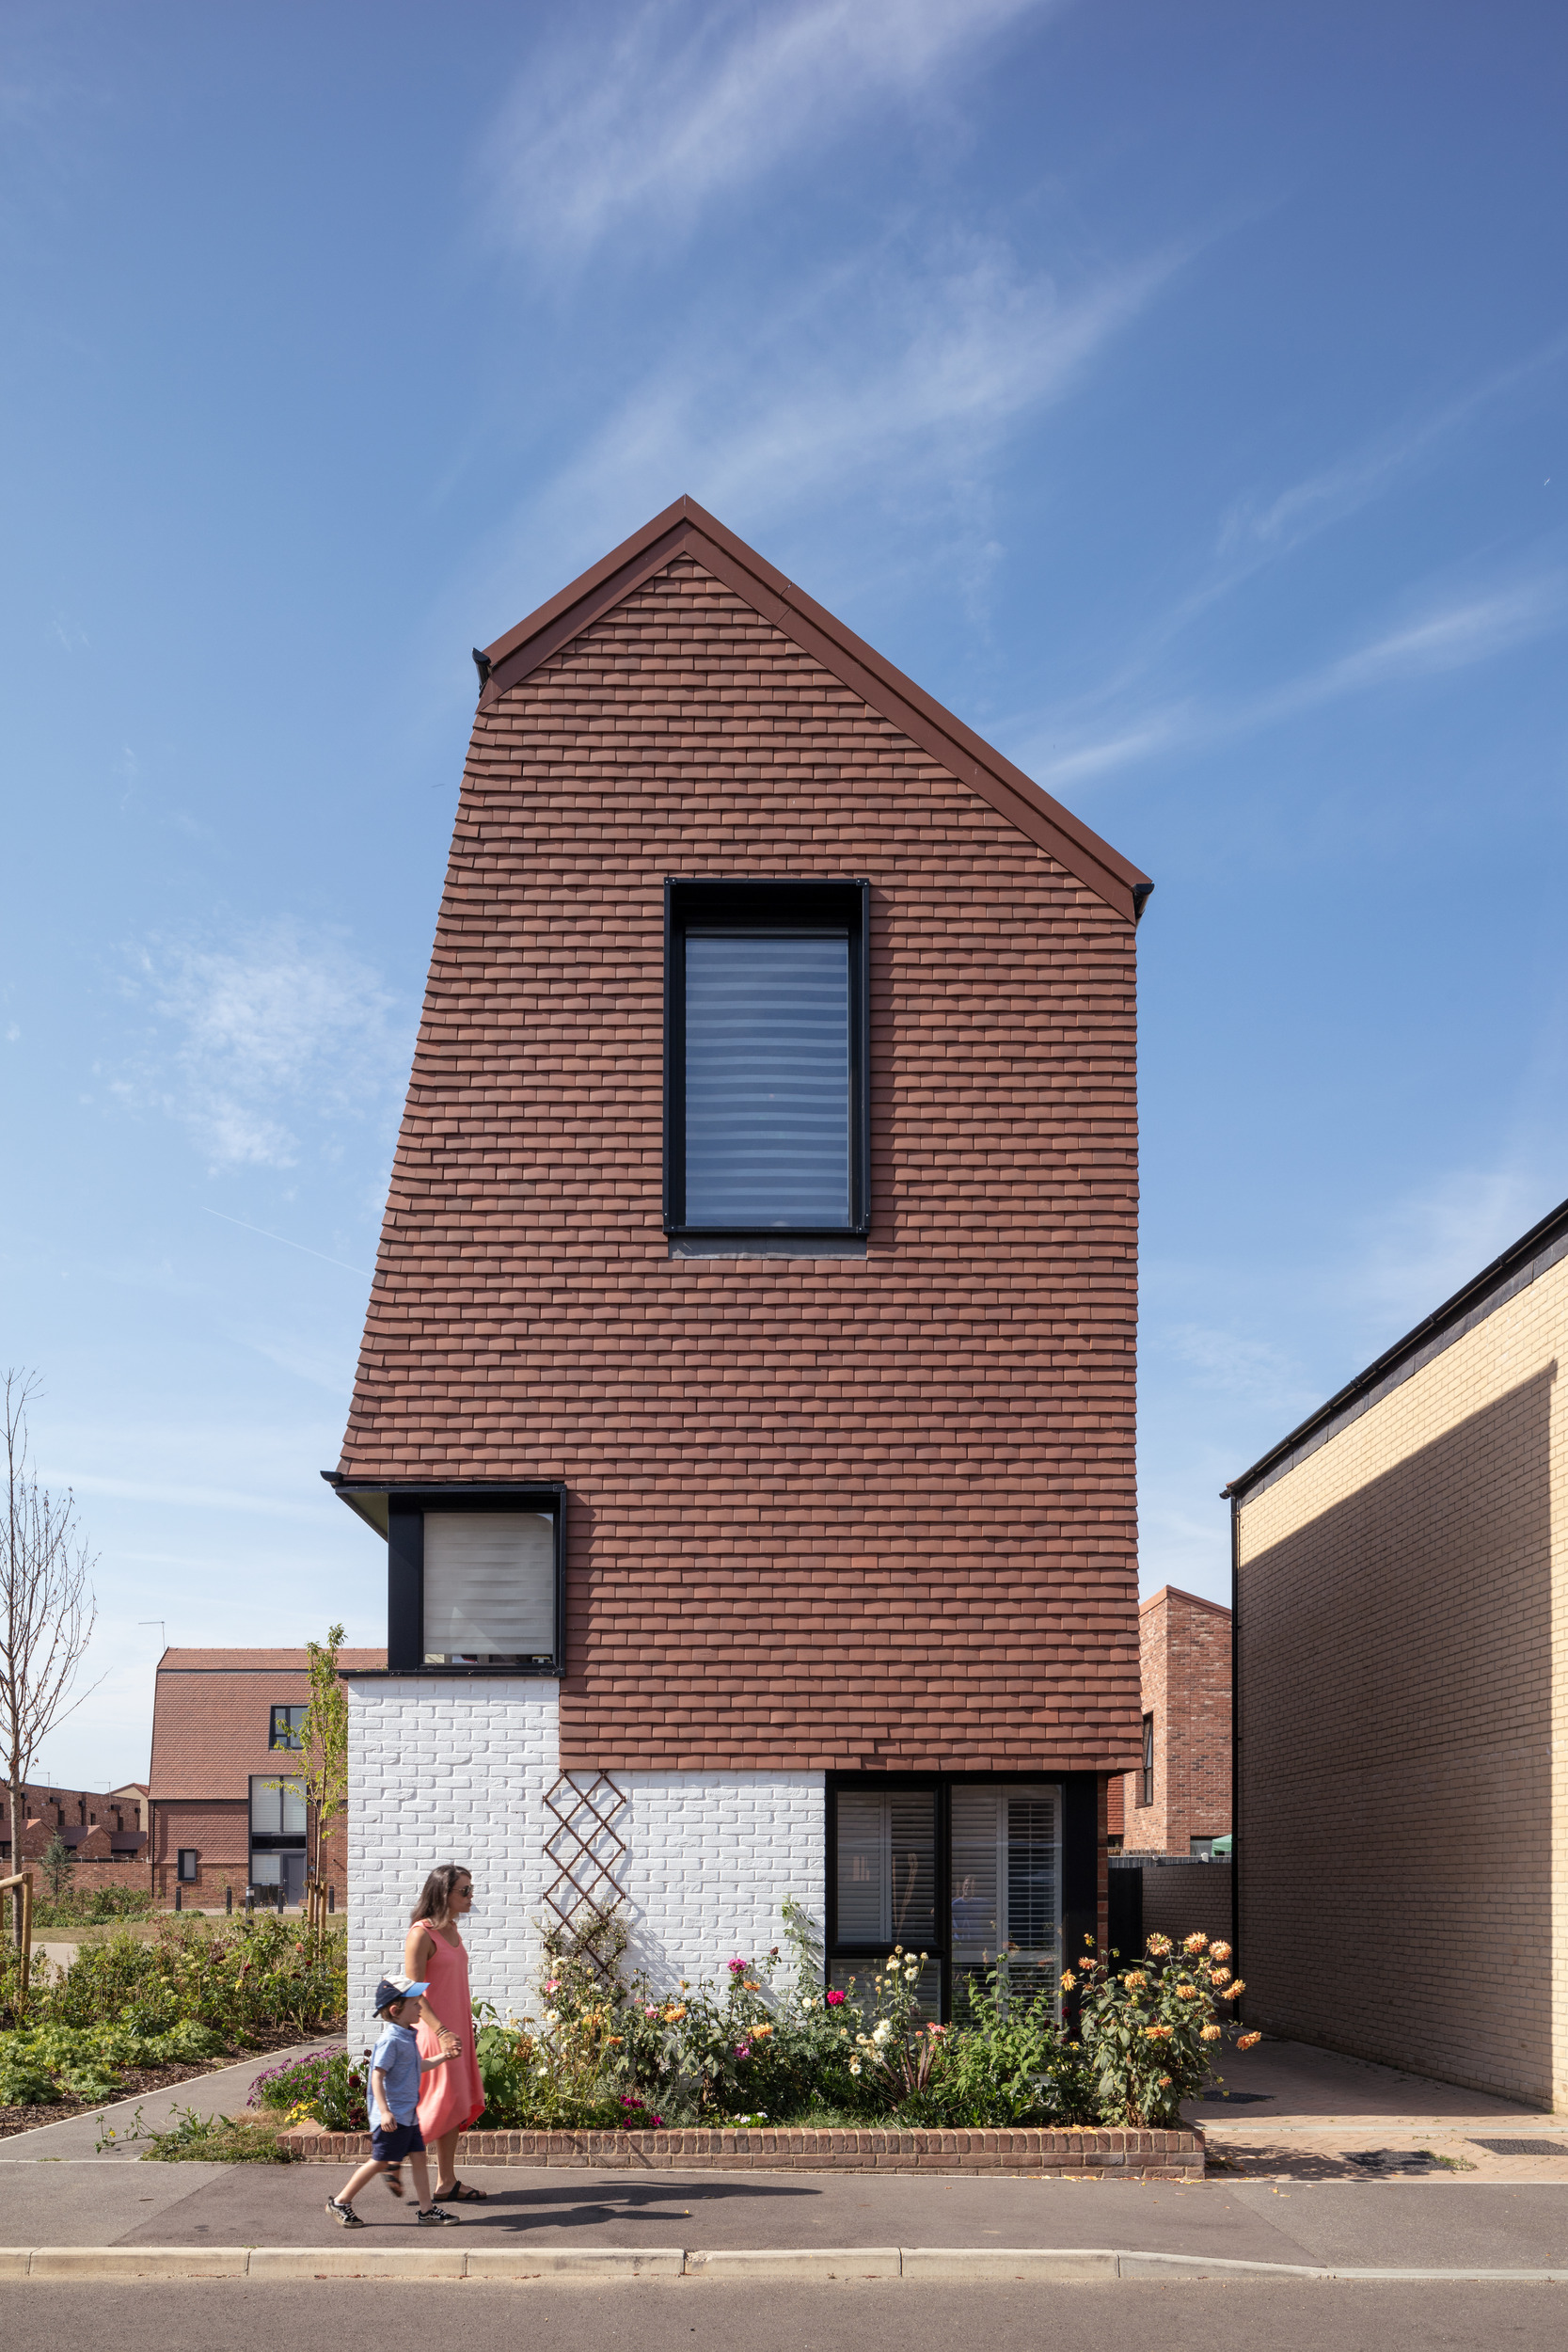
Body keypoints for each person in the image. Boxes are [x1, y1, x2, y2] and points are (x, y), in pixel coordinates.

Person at [325, 1975, 456, 2227]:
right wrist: (384, 2111)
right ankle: (340, 2202)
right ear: (396, 2010)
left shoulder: (407, 2036)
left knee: (419, 2157)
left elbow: (418, 2066)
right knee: (380, 2161)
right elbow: (376, 2076)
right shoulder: (391, 2041)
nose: (420, 2008)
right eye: (415, 2004)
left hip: (407, 2115)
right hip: (392, 2117)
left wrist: (443, 2057)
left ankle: (427, 2211)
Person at [404, 1862, 487, 2203]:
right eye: (464, 1890)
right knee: (437, 2104)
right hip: (434, 2031)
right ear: (443, 1893)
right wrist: (441, 2031)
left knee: (452, 2104)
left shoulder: (452, 1929)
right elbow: (413, 1993)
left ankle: (447, 2182)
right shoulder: (421, 1934)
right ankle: (386, 2157)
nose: (470, 1896)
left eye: (471, 1889)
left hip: (456, 2030)